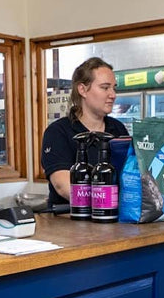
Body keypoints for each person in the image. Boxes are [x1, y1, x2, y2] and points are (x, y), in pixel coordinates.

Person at [40, 57, 130, 207]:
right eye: (105, 87)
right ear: (82, 90)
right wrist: (106, 203)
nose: (113, 94)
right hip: (71, 222)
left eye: (114, 88)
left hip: (115, 220)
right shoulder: (58, 132)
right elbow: (63, 185)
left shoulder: (118, 129)